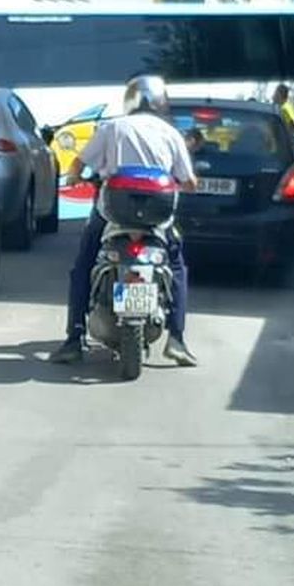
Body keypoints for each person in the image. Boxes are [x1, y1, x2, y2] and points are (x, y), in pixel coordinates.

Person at [52, 75, 198, 367]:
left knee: (84, 264)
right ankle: (177, 339)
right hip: (158, 219)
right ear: (160, 101)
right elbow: (190, 181)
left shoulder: (112, 127)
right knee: (178, 267)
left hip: (112, 213)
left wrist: (74, 176)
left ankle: (73, 339)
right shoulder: (170, 134)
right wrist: (179, 184)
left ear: (130, 100)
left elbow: (79, 164)